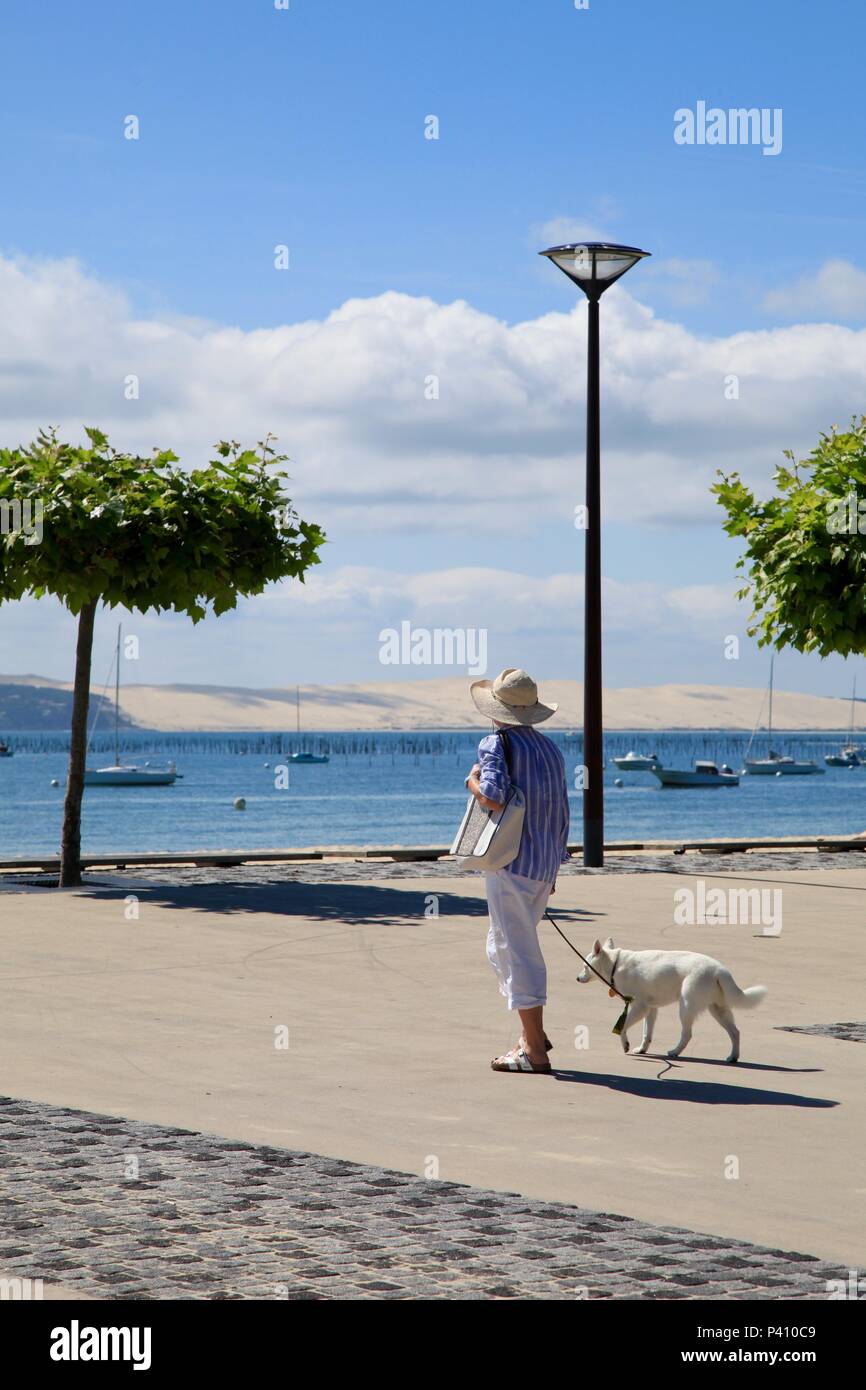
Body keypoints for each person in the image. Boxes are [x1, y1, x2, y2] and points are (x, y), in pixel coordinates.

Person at [465, 668, 570, 1075]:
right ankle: (532, 1034)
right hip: (542, 863)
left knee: (517, 950)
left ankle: (534, 1051)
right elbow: (561, 809)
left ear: (498, 711)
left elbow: (492, 796)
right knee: (501, 946)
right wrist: (554, 865)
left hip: (510, 861)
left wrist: (471, 782)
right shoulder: (550, 750)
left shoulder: (496, 742)